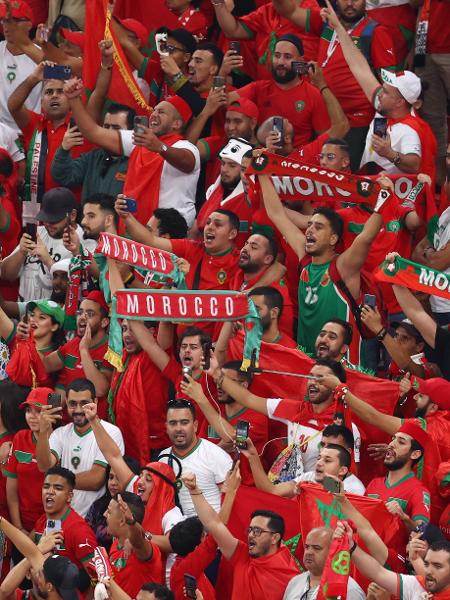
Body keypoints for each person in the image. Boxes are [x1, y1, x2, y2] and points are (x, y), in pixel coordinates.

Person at [259, 172, 389, 362]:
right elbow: (276, 213)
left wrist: (385, 196)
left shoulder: (343, 266)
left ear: (333, 238)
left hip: (344, 369)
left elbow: (366, 236)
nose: (310, 229)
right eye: (309, 225)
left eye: (318, 227)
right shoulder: (305, 261)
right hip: (308, 363)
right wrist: (261, 170)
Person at [320, 0, 437, 179]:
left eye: (387, 91)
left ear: (400, 102)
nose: (380, 90)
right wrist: (338, 27)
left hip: (404, 203)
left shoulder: (410, 128)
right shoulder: (384, 108)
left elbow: (414, 165)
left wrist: (390, 153)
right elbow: (359, 67)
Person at [273, 0, 397, 169]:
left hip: (357, 123)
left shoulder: (375, 32)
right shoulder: (326, 21)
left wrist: (383, 128)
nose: (351, 3)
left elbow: (390, 85)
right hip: (324, 119)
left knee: (346, 179)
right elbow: (287, 10)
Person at [64, 78, 200, 229]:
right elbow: (93, 132)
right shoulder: (139, 141)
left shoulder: (186, 147)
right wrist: (74, 100)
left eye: (161, 112)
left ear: (177, 123)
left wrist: (160, 147)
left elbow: (186, 162)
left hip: (170, 232)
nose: (154, 114)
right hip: (136, 227)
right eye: (154, 110)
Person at [206, 354, 360, 478]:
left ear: (335, 386)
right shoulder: (294, 409)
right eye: (310, 377)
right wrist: (217, 374)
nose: (312, 382)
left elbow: (350, 475)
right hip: (292, 490)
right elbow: (248, 399)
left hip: (322, 498)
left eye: (320, 379)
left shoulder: (345, 426)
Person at [182, 471, 300, 600]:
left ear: (275, 538)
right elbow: (213, 524)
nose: (250, 535)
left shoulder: (291, 579)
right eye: (249, 530)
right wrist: (194, 491)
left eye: (257, 531)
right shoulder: (242, 555)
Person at [35, 378, 124, 517]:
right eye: (72, 404)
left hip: (94, 519)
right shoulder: (60, 433)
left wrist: (57, 483)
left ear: (95, 402)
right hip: (63, 517)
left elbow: (96, 480)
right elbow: (44, 466)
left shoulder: (111, 432)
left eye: (84, 403)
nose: (78, 410)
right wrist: (43, 432)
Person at [7, 61, 91, 208]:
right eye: (49, 92)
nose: (54, 96)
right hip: (37, 211)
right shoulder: (35, 123)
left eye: (60, 92)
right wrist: (34, 78)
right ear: (42, 101)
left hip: (71, 212)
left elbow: (99, 95)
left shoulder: (82, 125)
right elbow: (13, 106)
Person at [229, 35, 329, 149]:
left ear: (300, 61)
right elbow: (222, 101)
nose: (280, 62)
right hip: (262, 157)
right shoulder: (258, 88)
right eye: (277, 56)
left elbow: (324, 139)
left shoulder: (313, 94)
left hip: (295, 160)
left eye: (287, 57)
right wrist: (223, 71)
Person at [180, 361, 269, 484]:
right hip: (212, 486)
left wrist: (201, 399)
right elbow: (199, 452)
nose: (219, 385)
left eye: (225, 382)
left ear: (243, 385)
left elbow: (234, 438)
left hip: (244, 490)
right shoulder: (215, 410)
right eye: (218, 380)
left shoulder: (257, 418)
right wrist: (220, 448)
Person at [1, 187, 90, 302]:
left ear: (72, 215)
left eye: (54, 220)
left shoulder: (84, 242)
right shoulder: (37, 233)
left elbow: (77, 293)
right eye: (45, 219)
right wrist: (21, 253)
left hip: (57, 317)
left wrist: (48, 261)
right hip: (24, 315)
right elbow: (6, 275)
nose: (48, 224)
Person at [333, 521, 450, 598]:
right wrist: (351, 545)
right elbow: (378, 572)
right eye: (426, 564)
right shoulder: (419, 585)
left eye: (437, 566)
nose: (429, 570)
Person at [108, 320, 170, 464]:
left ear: (151, 332)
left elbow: (165, 323)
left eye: (133, 329)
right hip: (126, 443)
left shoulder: (156, 353)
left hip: (155, 447)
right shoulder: (122, 359)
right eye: (124, 329)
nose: (126, 335)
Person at [158, 399, 232, 517]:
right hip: (178, 530)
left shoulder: (215, 455)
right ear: (166, 427)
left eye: (184, 422)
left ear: (195, 425)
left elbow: (232, 498)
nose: (178, 428)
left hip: (212, 529)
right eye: (173, 423)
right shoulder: (163, 458)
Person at [51, 103, 134, 201]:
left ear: (130, 132)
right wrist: (64, 150)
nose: (109, 132)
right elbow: (64, 177)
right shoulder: (92, 157)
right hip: (89, 215)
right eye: (106, 127)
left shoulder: (138, 162)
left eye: (116, 128)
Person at [33, 466, 98, 592]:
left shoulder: (79, 530)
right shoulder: (41, 522)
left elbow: (96, 577)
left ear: (69, 496)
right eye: (46, 486)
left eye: (58, 488)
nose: (50, 491)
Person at [41, 291, 114, 402]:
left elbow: (100, 390)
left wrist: (84, 350)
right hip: (69, 418)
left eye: (89, 314)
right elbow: (43, 366)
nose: (82, 317)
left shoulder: (111, 350)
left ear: (104, 322)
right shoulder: (71, 345)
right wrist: (32, 339)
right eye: (80, 312)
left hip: (96, 418)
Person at [3, 388, 53, 535]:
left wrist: (37, 530)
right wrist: (18, 528)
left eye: (38, 411)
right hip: (23, 523)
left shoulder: (60, 440)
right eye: (28, 411)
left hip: (50, 524)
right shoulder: (20, 437)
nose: (32, 416)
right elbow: (11, 489)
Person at [243, 439, 365, 497]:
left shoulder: (355, 489)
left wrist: (312, 489)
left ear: (342, 470)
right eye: (319, 458)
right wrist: (252, 456)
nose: (319, 463)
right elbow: (272, 491)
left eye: (327, 460)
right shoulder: (310, 476)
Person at [105, 492, 164, 597]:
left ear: (122, 520)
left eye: (109, 512)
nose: (104, 514)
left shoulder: (144, 550)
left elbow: (138, 542)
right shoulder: (116, 543)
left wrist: (131, 521)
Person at [283, 527, 365, 600]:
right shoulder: (295, 582)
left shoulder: (348, 589)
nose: (309, 552)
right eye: (307, 547)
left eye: (317, 548)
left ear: (333, 552)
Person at [0, 0, 41, 133]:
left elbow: (66, 75)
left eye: (15, 20)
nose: (8, 26)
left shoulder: (41, 55)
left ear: (29, 24)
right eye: (5, 21)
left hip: (32, 134)